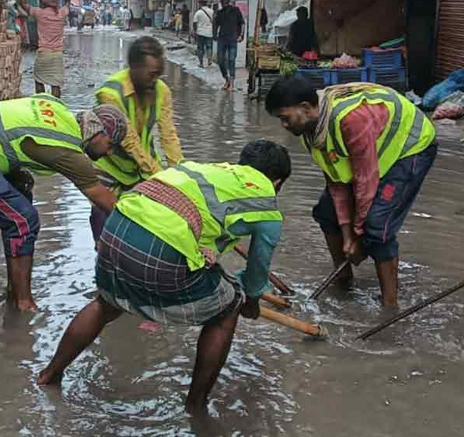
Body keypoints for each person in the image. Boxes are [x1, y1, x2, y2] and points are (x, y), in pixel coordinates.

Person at [37, 140, 292, 415]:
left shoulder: (203, 170)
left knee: (107, 302)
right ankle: (196, 406)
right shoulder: (267, 206)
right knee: (229, 307)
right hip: (160, 248)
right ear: (277, 183)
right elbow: (257, 269)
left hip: (116, 230)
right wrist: (251, 300)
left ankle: (49, 374)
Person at [0, 95, 128, 313]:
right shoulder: (66, 149)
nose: (110, 152)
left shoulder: (59, 110)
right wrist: (140, 221)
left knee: (21, 188)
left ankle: (13, 291)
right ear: (99, 133)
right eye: (111, 145)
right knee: (22, 220)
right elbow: (101, 198)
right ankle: (22, 304)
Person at [266, 78, 437, 306]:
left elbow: (365, 180)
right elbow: (336, 184)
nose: (283, 125)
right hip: (373, 155)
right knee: (326, 213)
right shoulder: (311, 132)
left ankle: (390, 304)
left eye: (284, 118)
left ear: (306, 108)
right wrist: (348, 237)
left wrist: (358, 234)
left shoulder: (350, 119)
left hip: (410, 146)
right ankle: (343, 278)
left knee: (377, 226)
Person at [93, 36, 183, 241]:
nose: (155, 80)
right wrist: (160, 176)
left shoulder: (161, 90)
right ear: (134, 68)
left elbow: (169, 135)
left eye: (158, 75)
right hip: (109, 168)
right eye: (151, 75)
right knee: (105, 226)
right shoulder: (111, 94)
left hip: (143, 166)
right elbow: (130, 142)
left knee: (149, 225)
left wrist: (179, 175)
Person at [21, 0, 68, 98]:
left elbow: (24, 5)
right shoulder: (62, 13)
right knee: (56, 84)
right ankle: (55, 106)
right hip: (57, 55)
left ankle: (40, 103)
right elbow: (68, 4)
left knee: (39, 80)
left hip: (43, 54)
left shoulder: (39, 13)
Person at [213, 0, 245, 91]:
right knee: (220, 60)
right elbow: (215, 25)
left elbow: (242, 23)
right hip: (222, 39)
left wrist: (241, 35)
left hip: (232, 39)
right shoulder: (219, 13)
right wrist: (214, 34)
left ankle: (231, 83)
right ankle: (226, 79)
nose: (224, 3)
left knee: (231, 60)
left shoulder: (236, 10)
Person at [193, 0, 215, 67]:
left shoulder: (198, 12)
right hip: (209, 33)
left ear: (200, 3)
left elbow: (194, 23)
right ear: (206, 3)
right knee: (209, 47)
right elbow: (214, 22)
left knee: (200, 48)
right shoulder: (212, 11)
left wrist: (195, 31)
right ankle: (209, 61)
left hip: (200, 33)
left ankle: (201, 63)